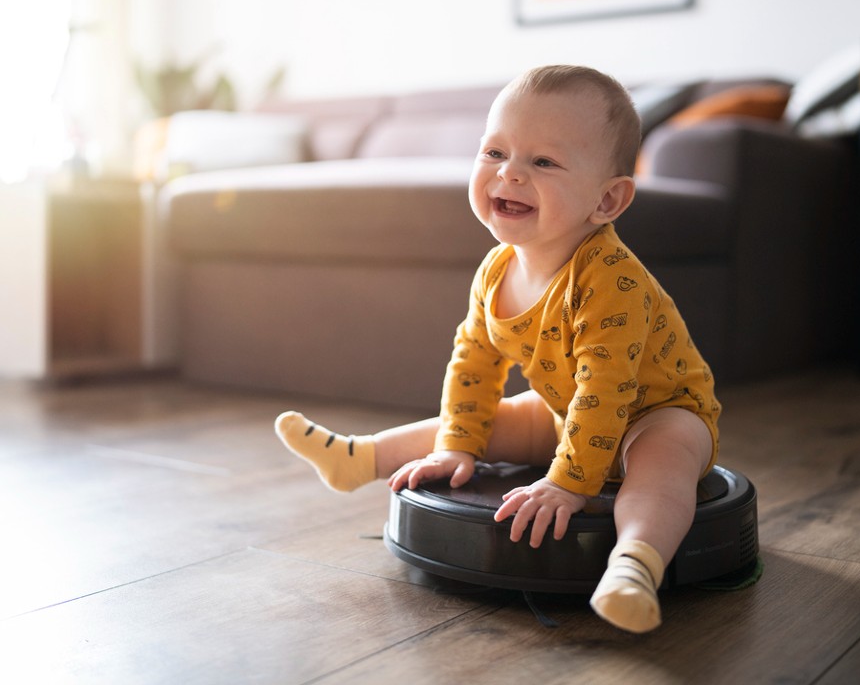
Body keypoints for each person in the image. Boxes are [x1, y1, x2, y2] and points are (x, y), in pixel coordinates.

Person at [275, 64, 720, 634]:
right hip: (566, 411)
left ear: (607, 200)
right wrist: (458, 447)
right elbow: (475, 361)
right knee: (489, 421)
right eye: (494, 152)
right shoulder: (497, 270)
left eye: (542, 162)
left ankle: (635, 564)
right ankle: (358, 459)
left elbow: (607, 391)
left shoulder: (611, 281)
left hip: (656, 412)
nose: (509, 174)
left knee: (662, 465)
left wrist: (567, 485)